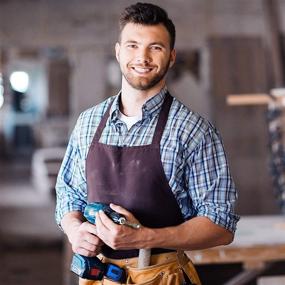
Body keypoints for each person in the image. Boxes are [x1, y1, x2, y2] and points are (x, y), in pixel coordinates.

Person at [55, 2, 239, 284]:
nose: (142, 57)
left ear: (172, 56)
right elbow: (69, 193)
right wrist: (74, 230)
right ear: (118, 52)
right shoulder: (88, 122)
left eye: (156, 47)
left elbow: (221, 224)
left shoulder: (193, 131)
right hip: (99, 276)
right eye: (132, 45)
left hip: (161, 276)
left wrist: (145, 237)